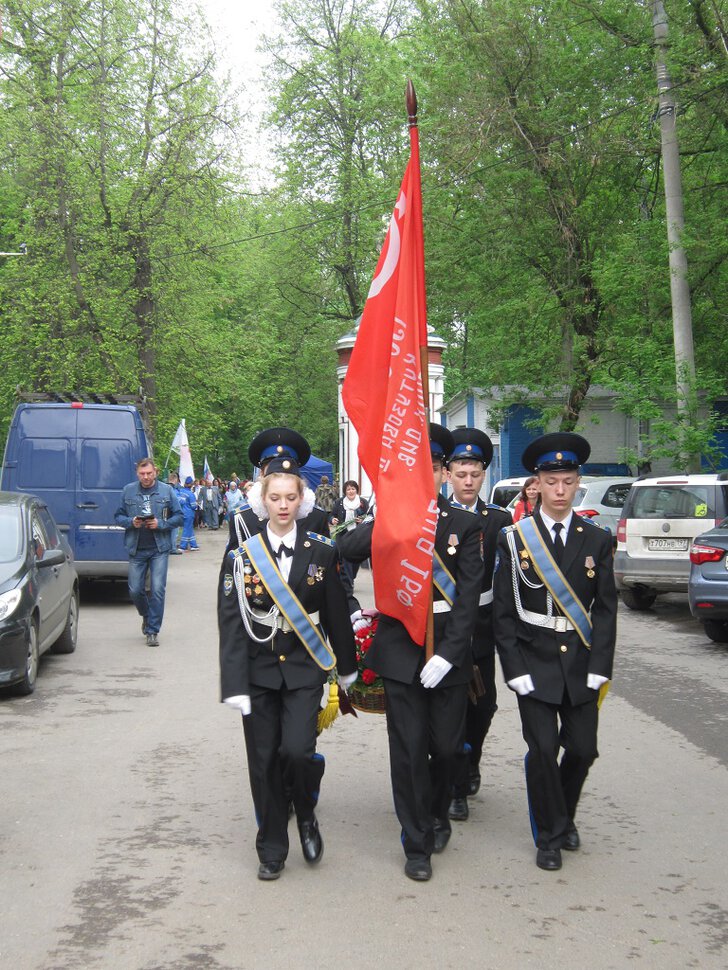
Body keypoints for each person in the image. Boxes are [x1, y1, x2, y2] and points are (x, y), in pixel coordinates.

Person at [337, 424, 483, 882]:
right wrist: (389, 515)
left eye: (434, 467)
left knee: (445, 748)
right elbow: (346, 547)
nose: (429, 474)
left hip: (446, 654)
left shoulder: (466, 525)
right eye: (418, 468)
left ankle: (438, 812)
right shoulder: (393, 521)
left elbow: (469, 597)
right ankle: (415, 840)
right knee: (408, 751)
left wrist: (451, 653)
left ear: (442, 473)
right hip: (401, 651)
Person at [218, 445, 357, 881]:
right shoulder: (241, 557)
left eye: (290, 498)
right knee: (264, 762)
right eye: (274, 498)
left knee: (296, 751)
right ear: (263, 501)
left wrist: (348, 668)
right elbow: (232, 625)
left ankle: (308, 815)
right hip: (258, 673)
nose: (282, 505)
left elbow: (335, 612)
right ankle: (272, 846)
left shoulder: (322, 552)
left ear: (302, 501)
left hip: (302, 669)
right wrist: (233, 684)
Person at [493, 432, 617, 872]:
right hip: (534, 659)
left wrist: (601, 665)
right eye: (552, 481)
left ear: (577, 482)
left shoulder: (597, 539)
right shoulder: (514, 540)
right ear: (537, 484)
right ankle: (549, 834)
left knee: (583, 750)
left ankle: (562, 813)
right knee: (543, 749)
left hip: (581, 661)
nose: (560, 490)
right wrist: (512, 667)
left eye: (568, 481)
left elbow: (605, 609)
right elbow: (503, 613)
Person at [446, 428, 512, 823]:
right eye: (460, 473)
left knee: (483, 705)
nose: (468, 481)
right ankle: (455, 785)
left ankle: (473, 757)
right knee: (450, 707)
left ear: (483, 475)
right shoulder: (435, 517)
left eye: (475, 474)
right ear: (449, 474)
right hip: (443, 626)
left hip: (483, 627)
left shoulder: (499, 521)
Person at [114, 458, 183, 647]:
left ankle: (153, 630)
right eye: (142, 474)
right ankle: (146, 615)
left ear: (156, 472)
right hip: (136, 548)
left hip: (159, 549)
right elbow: (118, 516)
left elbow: (179, 517)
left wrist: (160, 524)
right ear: (137, 474)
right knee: (135, 590)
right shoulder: (128, 490)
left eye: (149, 473)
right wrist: (131, 522)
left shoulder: (166, 491)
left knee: (158, 590)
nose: (145, 477)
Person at [178, 477, 199, 551]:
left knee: (189, 529)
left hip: (181, 513)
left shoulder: (180, 492)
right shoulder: (191, 494)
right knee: (187, 529)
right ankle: (182, 546)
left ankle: (194, 545)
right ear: (191, 484)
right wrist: (197, 504)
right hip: (189, 513)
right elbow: (193, 506)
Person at [167, 472, 184, 554]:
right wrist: (182, 499)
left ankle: (169, 547)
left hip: (166, 514)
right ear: (175, 479)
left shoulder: (164, 487)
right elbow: (176, 500)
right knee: (174, 532)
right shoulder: (172, 489)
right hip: (173, 513)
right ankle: (173, 548)